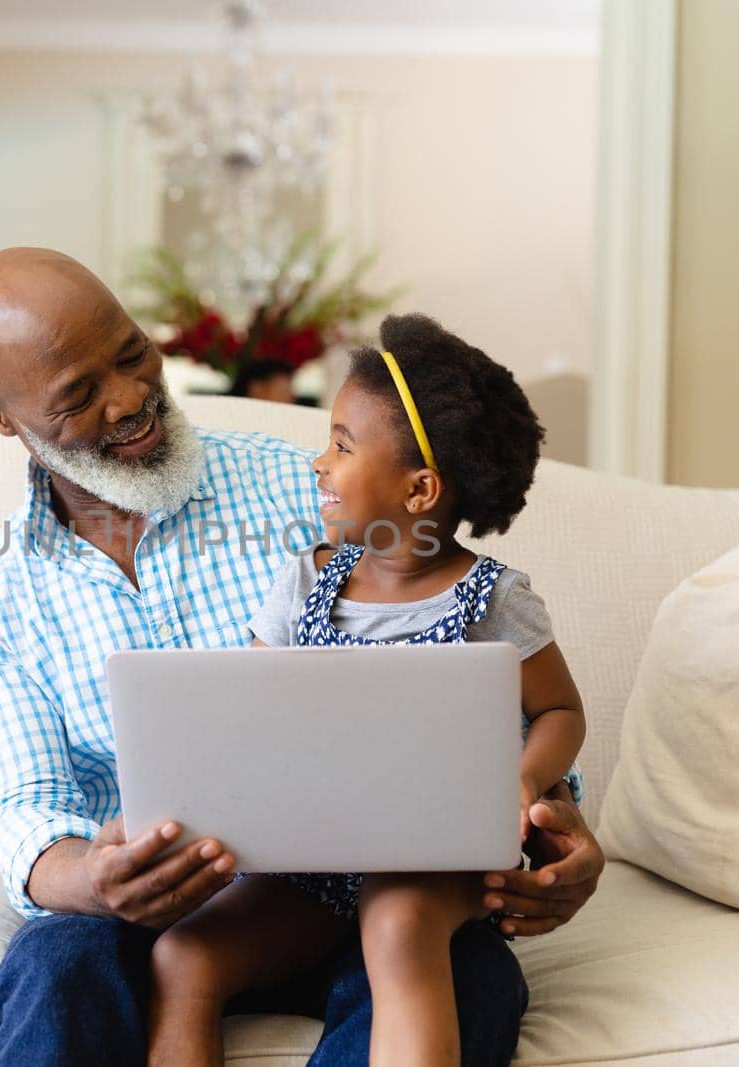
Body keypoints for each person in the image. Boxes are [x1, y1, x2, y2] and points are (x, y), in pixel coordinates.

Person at [0, 248, 606, 1067]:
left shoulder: (317, 494)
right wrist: (92, 879)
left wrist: (549, 822)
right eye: (78, 394)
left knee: (466, 968)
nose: (130, 396)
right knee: (55, 960)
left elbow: (480, 689)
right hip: (141, 921)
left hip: (360, 889)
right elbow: (26, 810)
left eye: (132, 352)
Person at [145, 314, 587, 1067]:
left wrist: (523, 775)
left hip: (435, 861)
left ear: (420, 489)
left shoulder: (493, 600)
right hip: (310, 866)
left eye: (342, 446)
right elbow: (243, 706)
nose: (320, 463)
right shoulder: (306, 580)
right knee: (184, 955)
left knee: (398, 921)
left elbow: (559, 710)